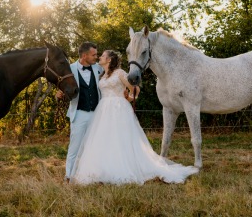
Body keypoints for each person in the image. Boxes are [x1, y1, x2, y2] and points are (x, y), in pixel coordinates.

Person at [70, 50, 199, 185]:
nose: (99, 57)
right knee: (105, 138)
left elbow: (135, 89)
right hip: (103, 109)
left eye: (102, 55)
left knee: (121, 139)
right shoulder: (102, 75)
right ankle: (102, 169)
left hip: (119, 108)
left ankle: (124, 167)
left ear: (109, 60)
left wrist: (129, 98)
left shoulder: (119, 73)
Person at [56, 42, 102, 181]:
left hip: (97, 113)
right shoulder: (70, 69)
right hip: (79, 113)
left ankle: (92, 175)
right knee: (75, 147)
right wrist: (58, 94)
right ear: (84, 55)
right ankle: (69, 175)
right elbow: (62, 88)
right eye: (93, 55)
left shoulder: (99, 69)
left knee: (95, 146)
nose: (96, 57)